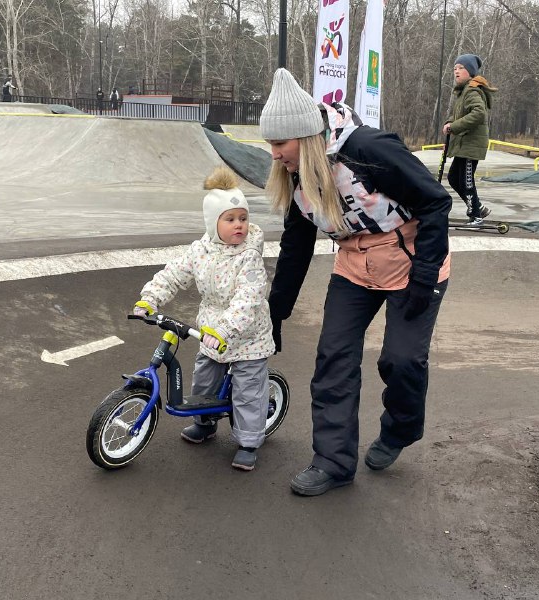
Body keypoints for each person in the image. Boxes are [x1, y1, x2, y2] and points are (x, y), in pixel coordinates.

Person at [260, 68, 452, 496]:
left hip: (412, 262)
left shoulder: (368, 149)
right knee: (334, 358)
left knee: (400, 361)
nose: (273, 155)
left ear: (305, 137)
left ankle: (400, 430)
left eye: (279, 144)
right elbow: (296, 247)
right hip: (354, 266)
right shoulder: (296, 176)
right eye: (269, 144)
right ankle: (333, 462)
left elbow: (436, 202)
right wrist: (276, 312)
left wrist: (423, 279)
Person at [132, 166, 276, 471]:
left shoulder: (248, 256)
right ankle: (205, 422)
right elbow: (174, 274)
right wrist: (151, 298)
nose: (239, 225)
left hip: (247, 334)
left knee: (248, 389)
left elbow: (247, 300)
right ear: (213, 223)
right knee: (204, 378)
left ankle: (249, 441)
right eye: (230, 219)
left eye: (243, 218)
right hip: (212, 332)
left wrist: (225, 330)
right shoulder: (200, 251)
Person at [441, 54, 498, 226]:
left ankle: (476, 216)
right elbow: (457, 115)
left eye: (461, 68)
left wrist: (454, 126)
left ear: (470, 72)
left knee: (466, 182)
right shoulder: (463, 92)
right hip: (463, 145)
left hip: (471, 145)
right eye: (454, 69)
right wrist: (449, 122)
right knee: (453, 178)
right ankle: (478, 207)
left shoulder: (472, 90)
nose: (456, 72)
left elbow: (479, 113)